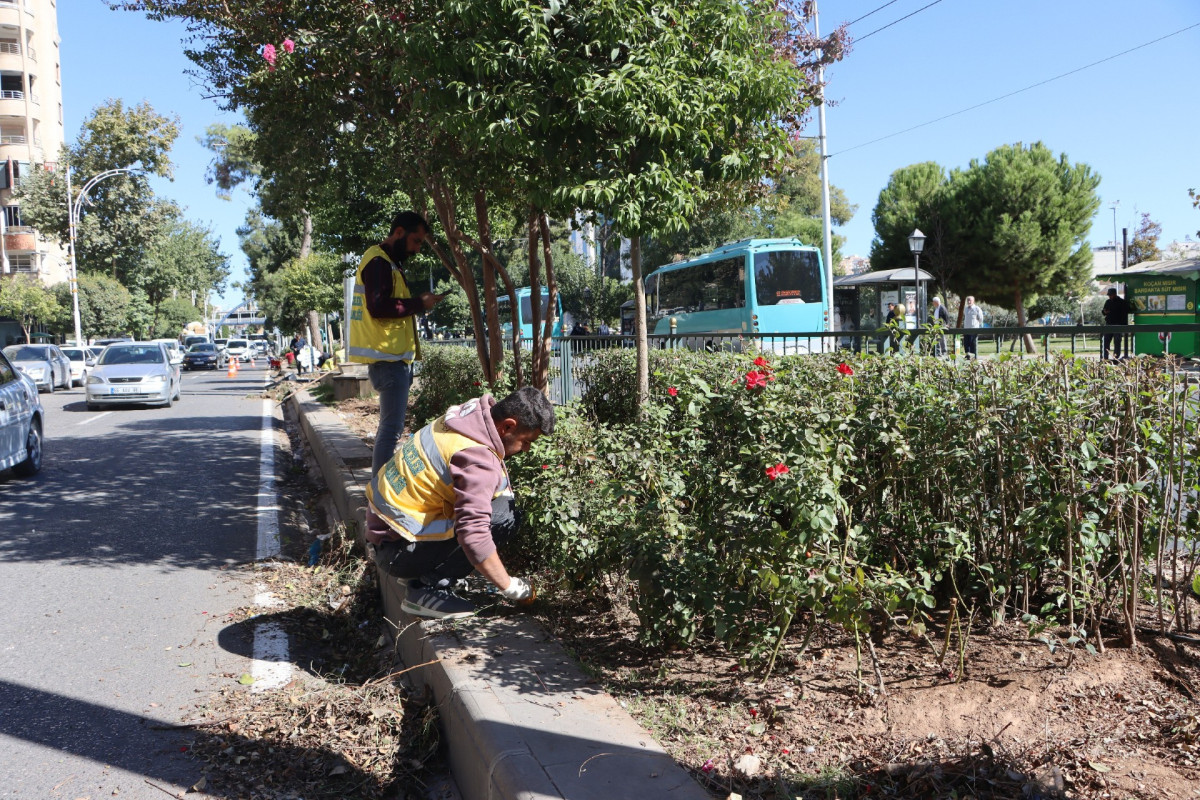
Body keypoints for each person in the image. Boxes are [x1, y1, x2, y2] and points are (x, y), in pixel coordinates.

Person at [365, 387, 555, 619]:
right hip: (397, 552)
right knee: (506, 516)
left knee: (498, 501)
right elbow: (474, 534)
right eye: (526, 442)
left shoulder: (469, 415)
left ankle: (422, 570)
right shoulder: (478, 458)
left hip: (385, 534)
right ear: (507, 426)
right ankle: (427, 589)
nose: (526, 450)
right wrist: (511, 587)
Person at [349, 211, 446, 476]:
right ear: (399, 232)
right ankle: (379, 497)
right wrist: (419, 303)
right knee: (390, 431)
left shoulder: (386, 262)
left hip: (390, 360)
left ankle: (379, 494)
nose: (416, 249)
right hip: (389, 361)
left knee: (389, 429)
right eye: (415, 241)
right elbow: (379, 306)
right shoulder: (379, 262)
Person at [1101, 287, 1130, 360]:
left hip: (1118, 324)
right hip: (1109, 324)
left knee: (1117, 342)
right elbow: (1104, 311)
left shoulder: (1122, 302)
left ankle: (1116, 358)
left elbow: (1125, 312)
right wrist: (1105, 312)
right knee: (1106, 341)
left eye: (1110, 295)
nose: (1109, 296)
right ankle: (1105, 357)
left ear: (1115, 294)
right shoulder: (1108, 302)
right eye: (1109, 295)